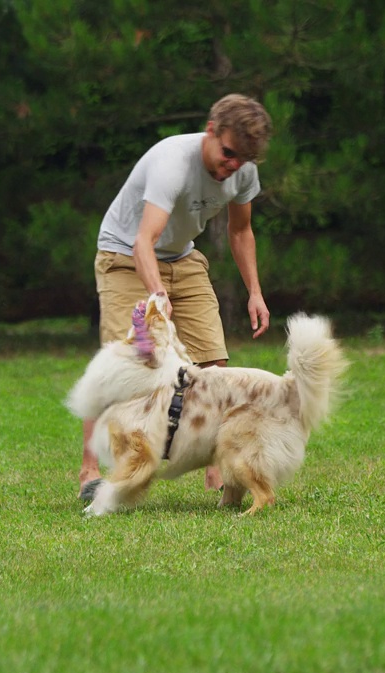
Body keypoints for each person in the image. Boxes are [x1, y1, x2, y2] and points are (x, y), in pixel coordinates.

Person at [77, 93, 273, 501]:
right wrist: (157, 296)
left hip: (182, 256)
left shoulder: (243, 171)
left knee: (214, 362)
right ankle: (90, 470)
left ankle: (217, 473)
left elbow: (240, 232)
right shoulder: (172, 163)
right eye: (229, 153)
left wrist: (255, 292)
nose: (234, 165)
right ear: (211, 131)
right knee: (122, 365)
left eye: (244, 159)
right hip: (125, 255)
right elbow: (142, 242)